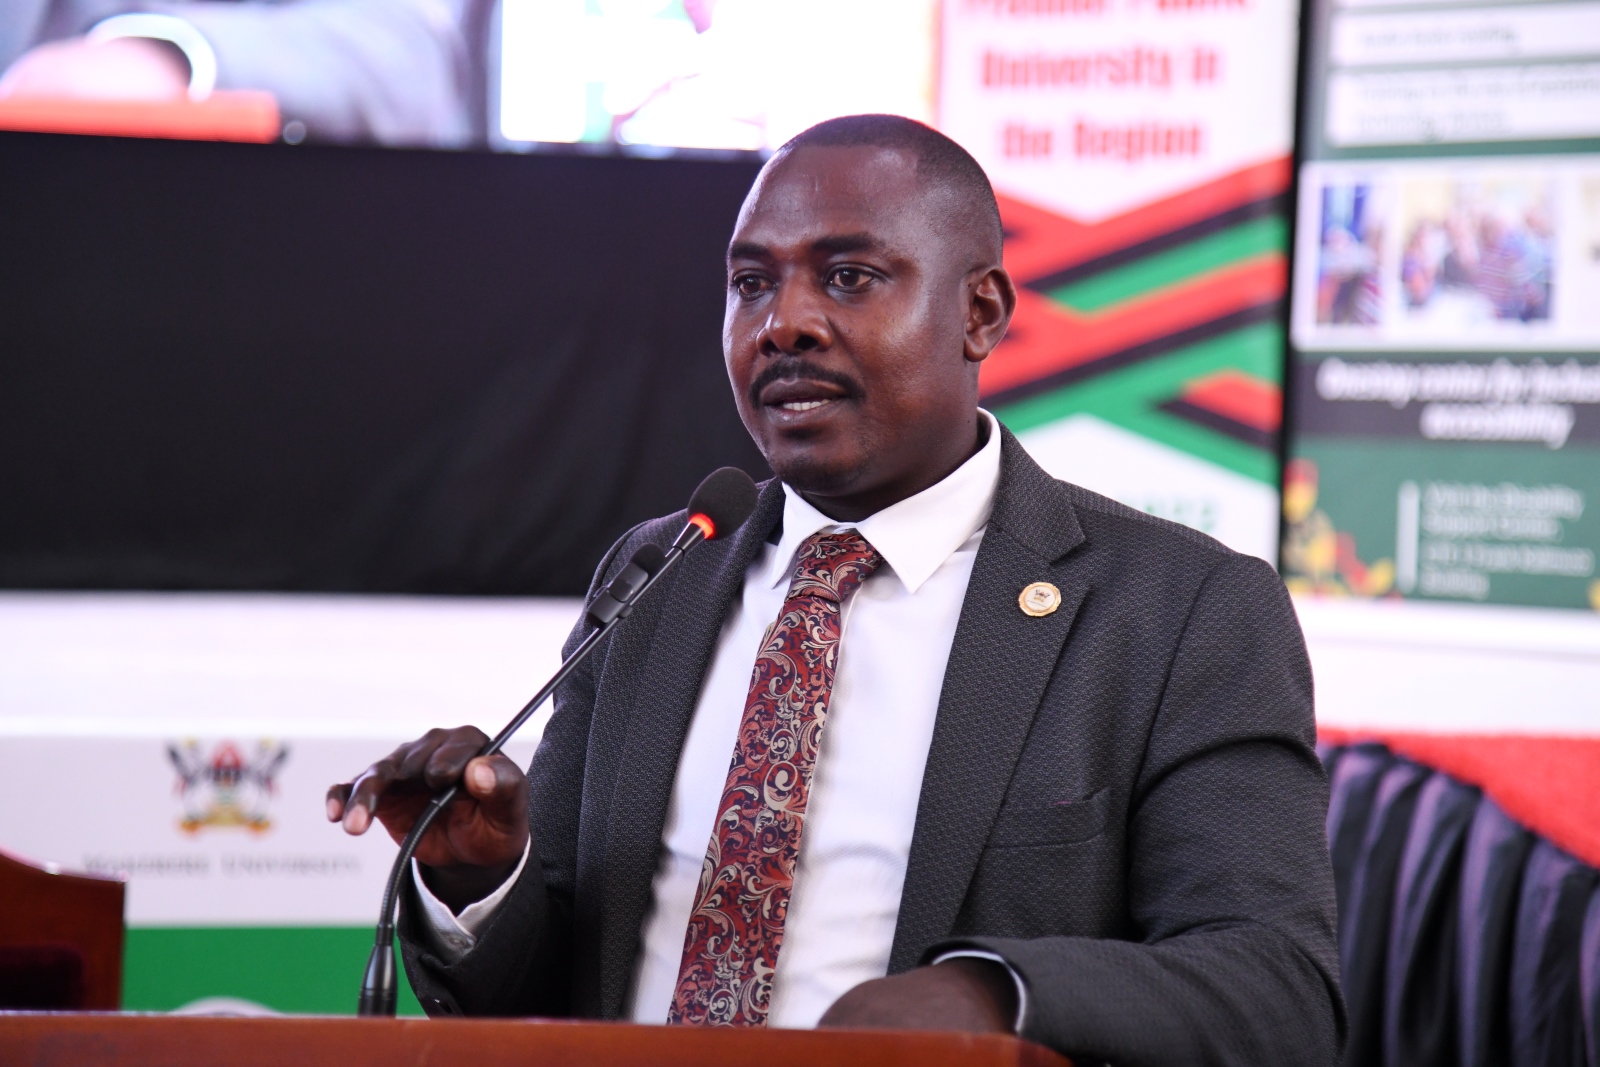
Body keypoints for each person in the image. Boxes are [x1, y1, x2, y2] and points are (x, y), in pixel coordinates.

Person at [327, 114, 1343, 1064]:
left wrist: (997, 994)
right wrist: (478, 877)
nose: (785, 323)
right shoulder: (656, 575)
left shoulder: (1177, 608)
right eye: (750, 283)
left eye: (850, 276)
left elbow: (1279, 988)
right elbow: (548, 982)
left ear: (978, 311)